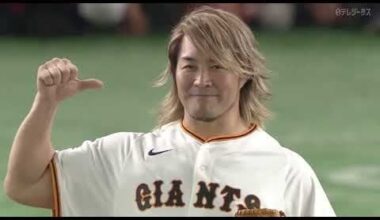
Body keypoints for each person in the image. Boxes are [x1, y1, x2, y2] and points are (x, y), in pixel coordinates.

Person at [4, 6, 336, 216]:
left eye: (217, 65)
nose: (202, 79)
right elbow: (23, 183)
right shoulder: (124, 156)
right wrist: (46, 104)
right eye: (189, 66)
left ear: (244, 74)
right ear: (174, 73)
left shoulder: (286, 171)